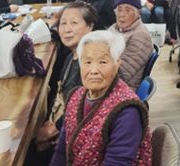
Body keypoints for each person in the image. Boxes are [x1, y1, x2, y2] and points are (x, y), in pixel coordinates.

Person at [50, 30, 152, 165]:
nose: (94, 71)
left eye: (103, 62)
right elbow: (62, 150)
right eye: (87, 62)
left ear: (117, 64)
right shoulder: (76, 96)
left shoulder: (127, 111)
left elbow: (117, 163)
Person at [33, 2, 98, 160]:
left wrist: (52, 129)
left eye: (74, 23)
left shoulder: (92, 64)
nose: (67, 29)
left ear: (90, 27)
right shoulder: (70, 57)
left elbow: (86, 109)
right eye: (63, 23)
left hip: (72, 142)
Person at [108, 0, 153, 90]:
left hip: (122, 88)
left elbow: (123, 72)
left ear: (138, 13)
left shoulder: (140, 36)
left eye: (128, 10)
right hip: (108, 80)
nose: (122, 14)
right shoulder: (114, 28)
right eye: (119, 10)